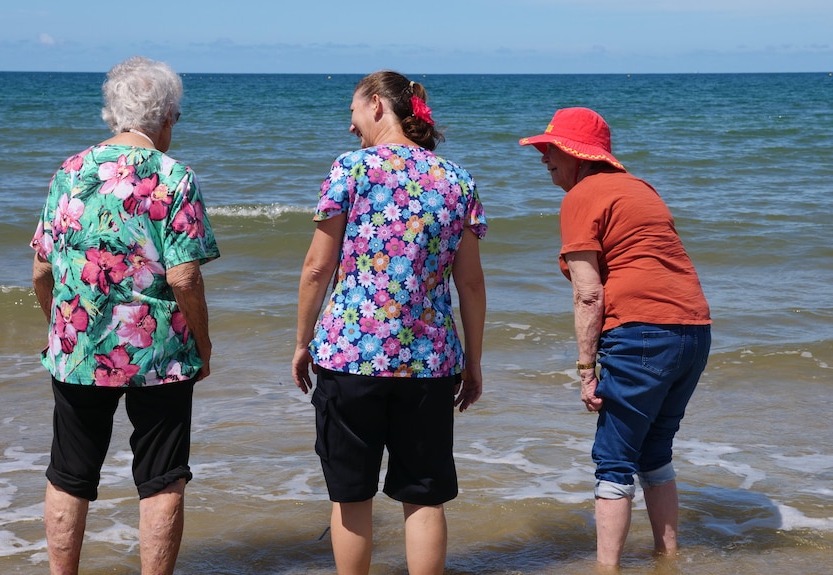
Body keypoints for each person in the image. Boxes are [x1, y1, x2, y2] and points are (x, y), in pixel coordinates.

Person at [292, 70, 487, 575]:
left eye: (354, 111)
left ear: (377, 105)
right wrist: (473, 362)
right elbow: (471, 285)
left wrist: (301, 342)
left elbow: (317, 267)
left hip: (351, 356)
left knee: (351, 495)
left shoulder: (350, 171)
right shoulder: (456, 179)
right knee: (423, 496)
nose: (351, 125)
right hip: (429, 361)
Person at [30, 56, 219, 575]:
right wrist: (202, 344)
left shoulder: (69, 172)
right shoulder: (174, 177)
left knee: (69, 473)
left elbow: (42, 270)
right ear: (168, 117)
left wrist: (61, 328)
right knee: (162, 477)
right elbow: (183, 278)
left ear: (113, 113)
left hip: (77, 346)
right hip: (157, 351)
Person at [519, 107, 711, 567]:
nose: (544, 158)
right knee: (655, 450)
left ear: (579, 156)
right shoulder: (640, 188)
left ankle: (606, 569)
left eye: (552, 150)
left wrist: (586, 370)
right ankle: (668, 558)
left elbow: (589, 295)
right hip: (694, 330)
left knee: (614, 459)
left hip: (642, 331)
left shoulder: (582, 195)